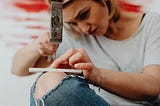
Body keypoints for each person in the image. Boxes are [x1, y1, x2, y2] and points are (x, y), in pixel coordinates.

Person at [11, 0, 160, 106]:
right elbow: (18, 68)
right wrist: (37, 45)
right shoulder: (74, 35)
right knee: (48, 80)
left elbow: (153, 86)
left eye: (84, 14)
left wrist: (97, 75)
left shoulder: (152, 24)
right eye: (73, 23)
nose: (83, 28)